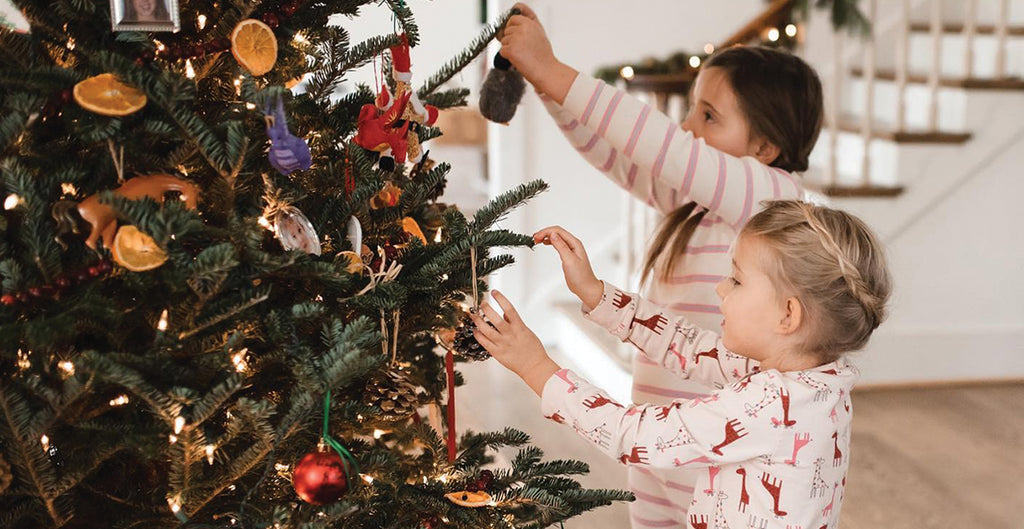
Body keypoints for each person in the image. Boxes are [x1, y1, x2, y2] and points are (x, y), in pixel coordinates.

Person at [499, 4, 823, 522]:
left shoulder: (767, 196)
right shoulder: (696, 202)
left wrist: (553, 70)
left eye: (709, 116)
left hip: (716, 444)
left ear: (765, 146)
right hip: (659, 430)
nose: (688, 126)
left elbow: (662, 145)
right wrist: (544, 85)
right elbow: (616, 154)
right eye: (692, 111)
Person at [471, 200, 891, 528]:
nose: (721, 288)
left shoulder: (767, 404)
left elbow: (632, 435)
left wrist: (535, 366)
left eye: (738, 279)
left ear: (788, 315)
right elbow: (687, 345)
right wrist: (598, 295)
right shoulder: (815, 382)